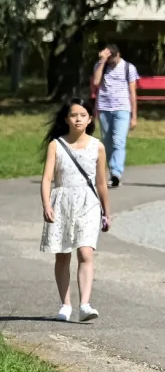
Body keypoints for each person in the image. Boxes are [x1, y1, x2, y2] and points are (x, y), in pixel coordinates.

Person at [40, 99, 110, 323]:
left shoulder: (97, 146)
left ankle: (85, 304)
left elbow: (101, 183)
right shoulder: (56, 145)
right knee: (62, 254)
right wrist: (46, 205)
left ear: (90, 119)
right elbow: (47, 178)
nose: (78, 119)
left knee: (85, 253)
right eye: (73, 115)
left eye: (83, 115)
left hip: (88, 203)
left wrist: (106, 212)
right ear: (66, 119)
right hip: (62, 202)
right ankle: (65, 305)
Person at [90, 44, 138, 189]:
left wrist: (134, 116)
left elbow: (133, 92)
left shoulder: (128, 68)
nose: (113, 61)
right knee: (108, 143)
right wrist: (102, 61)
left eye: (114, 58)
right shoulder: (101, 65)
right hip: (104, 108)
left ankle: (116, 173)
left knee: (119, 141)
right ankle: (112, 172)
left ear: (118, 54)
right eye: (110, 59)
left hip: (122, 109)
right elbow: (96, 82)